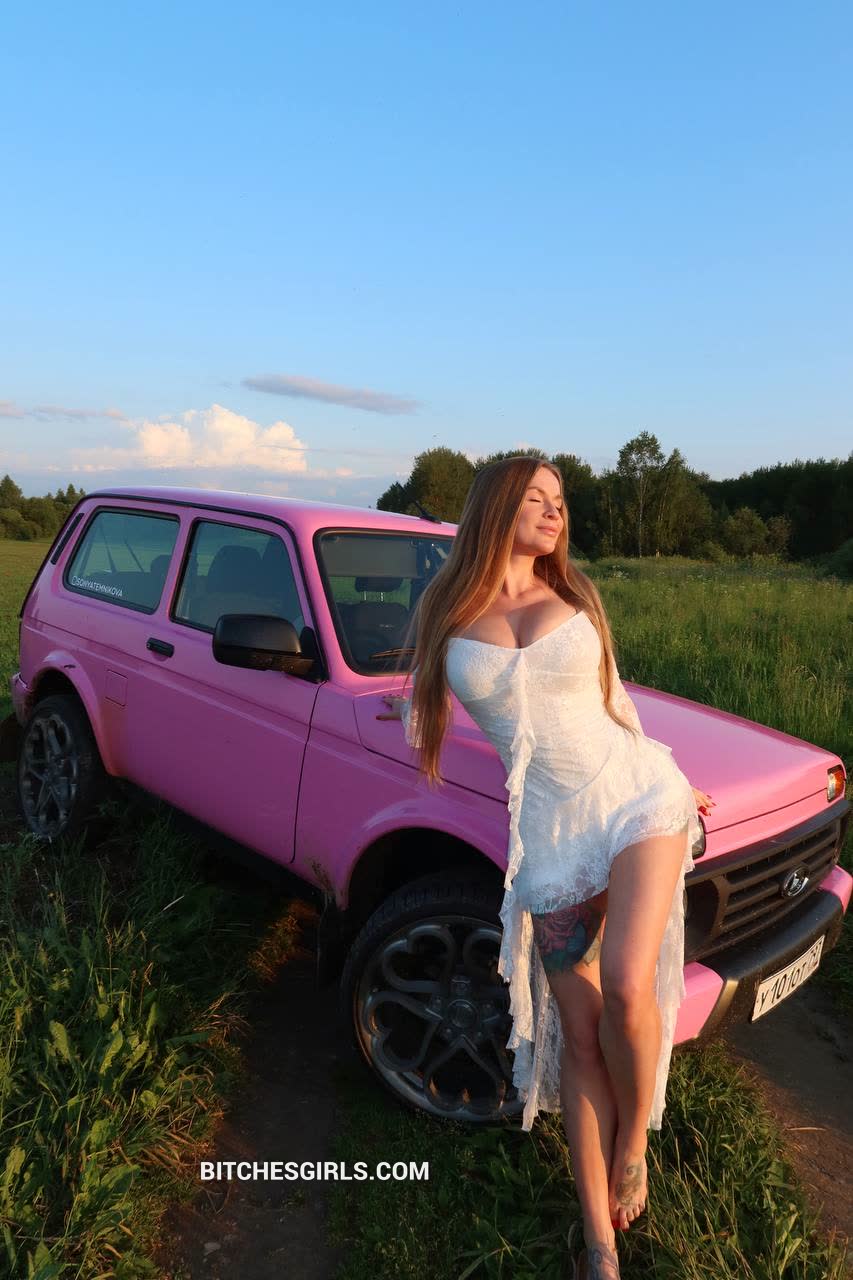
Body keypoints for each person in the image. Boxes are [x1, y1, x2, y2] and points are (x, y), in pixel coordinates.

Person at [377, 456, 715, 1280]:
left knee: (627, 988)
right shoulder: (446, 609)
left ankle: (632, 1146)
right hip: (548, 838)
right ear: (494, 506)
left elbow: (612, 700)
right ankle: (599, 1245)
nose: (553, 510)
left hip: (635, 801)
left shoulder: (576, 595)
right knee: (579, 1035)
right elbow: (414, 700)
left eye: (559, 500)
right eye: (534, 497)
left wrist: (675, 776)